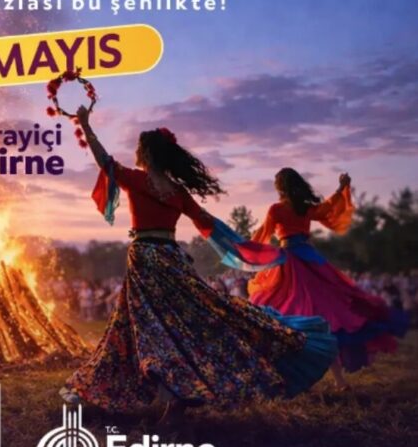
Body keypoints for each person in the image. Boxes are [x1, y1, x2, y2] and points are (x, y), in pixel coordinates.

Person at [61, 108, 337, 419]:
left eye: (139, 149)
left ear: (146, 154)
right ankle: (179, 388)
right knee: (189, 318)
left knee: (146, 324)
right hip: (171, 257)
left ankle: (169, 386)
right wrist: (242, 246)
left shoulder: (136, 180)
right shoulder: (178, 192)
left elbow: (104, 161)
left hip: (145, 258)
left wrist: (86, 126)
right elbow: (206, 221)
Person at [249, 169, 407, 384]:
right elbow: (329, 207)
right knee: (327, 313)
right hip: (312, 259)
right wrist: (341, 188)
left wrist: (242, 249)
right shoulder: (305, 207)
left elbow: (262, 235)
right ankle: (339, 381)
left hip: (290, 264)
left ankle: (287, 373)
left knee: (283, 310)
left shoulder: (276, 209)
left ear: (280, 187)